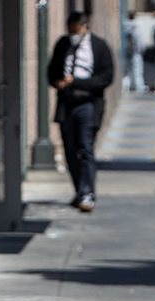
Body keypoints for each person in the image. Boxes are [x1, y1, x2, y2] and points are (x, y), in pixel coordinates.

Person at [47, 11, 113, 213]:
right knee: (69, 150)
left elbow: (106, 77)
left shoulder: (99, 47)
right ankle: (79, 190)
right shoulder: (62, 45)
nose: (73, 34)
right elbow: (51, 72)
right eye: (70, 30)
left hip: (88, 103)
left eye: (76, 29)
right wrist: (58, 82)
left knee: (85, 148)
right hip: (67, 104)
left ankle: (88, 193)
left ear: (85, 26)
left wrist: (78, 82)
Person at [123, 11, 147, 93]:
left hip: (127, 52)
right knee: (138, 71)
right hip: (136, 53)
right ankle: (139, 87)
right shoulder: (136, 28)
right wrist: (141, 50)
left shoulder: (124, 26)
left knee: (127, 72)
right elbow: (139, 42)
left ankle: (125, 87)